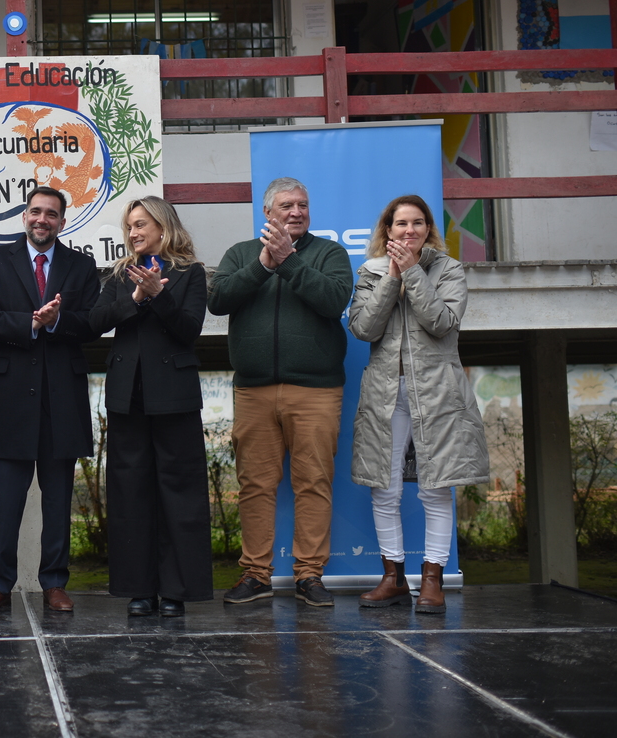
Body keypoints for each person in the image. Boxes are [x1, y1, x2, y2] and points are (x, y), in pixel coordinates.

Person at [208, 177, 352, 607]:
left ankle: (309, 576)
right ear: (267, 213)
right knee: (255, 485)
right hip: (253, 391)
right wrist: (264, 265)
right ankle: (255, 574)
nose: (296, 212)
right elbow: (218, 300)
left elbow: (333, 300)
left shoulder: (330, 253)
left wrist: (288, 261)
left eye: (303, 205)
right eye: (287, 205)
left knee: (313, 482)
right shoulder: (239, 253)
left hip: (316, 391)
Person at [349, 195, 489, 614]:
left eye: (417, 223)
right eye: (400, 224)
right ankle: (392, 578)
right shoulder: (371, 272)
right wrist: (393, 277)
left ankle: (432, 581)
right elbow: (363, 328)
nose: (408, 231)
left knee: (434, 488)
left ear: (428, 229)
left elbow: (442, 322)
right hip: (386, 394)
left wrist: (413, 272)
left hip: (438, 393)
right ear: (387, 231)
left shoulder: (448, 269)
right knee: (385, 488)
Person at [0, 186, 100, 614]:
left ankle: (55, 583)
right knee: (4, 500)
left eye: (52, 214)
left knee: (58, 499)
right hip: (10, 400)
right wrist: (29, 322)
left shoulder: (81, 266)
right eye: (36, 211)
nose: (42, 219)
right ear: (25, 216)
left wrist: (58, 320)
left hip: (61, 397)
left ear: (63, 221)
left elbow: (93, 323)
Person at [89, 196, 211, 617]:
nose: (134, 233)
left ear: (163, 227)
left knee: (179, 493)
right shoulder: (121, 274)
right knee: (131, 494)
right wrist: (137, 298)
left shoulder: (190, 272)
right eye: (129, 227)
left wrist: (159, 294)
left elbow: (189, 329)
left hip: (174, 398)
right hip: (129, 398)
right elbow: (94, 322)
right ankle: (140, 589)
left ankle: (176, 591)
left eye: (141, 225)